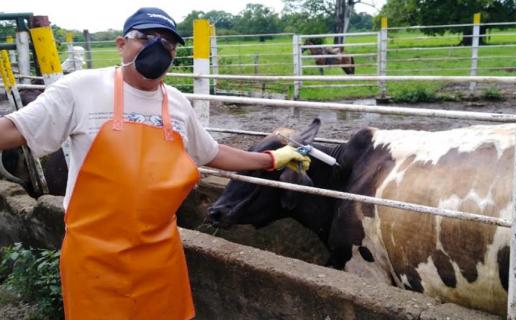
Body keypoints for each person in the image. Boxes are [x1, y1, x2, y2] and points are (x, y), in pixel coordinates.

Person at [0, 7, 309, 320]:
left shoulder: (176, 103)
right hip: (94, 257)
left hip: (159, 254)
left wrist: (271, 158)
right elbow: (14, 129)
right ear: (121, 44)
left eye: (169, 45)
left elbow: (212, 153)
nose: (159, 50)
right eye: (147, 38)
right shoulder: (81, 89)